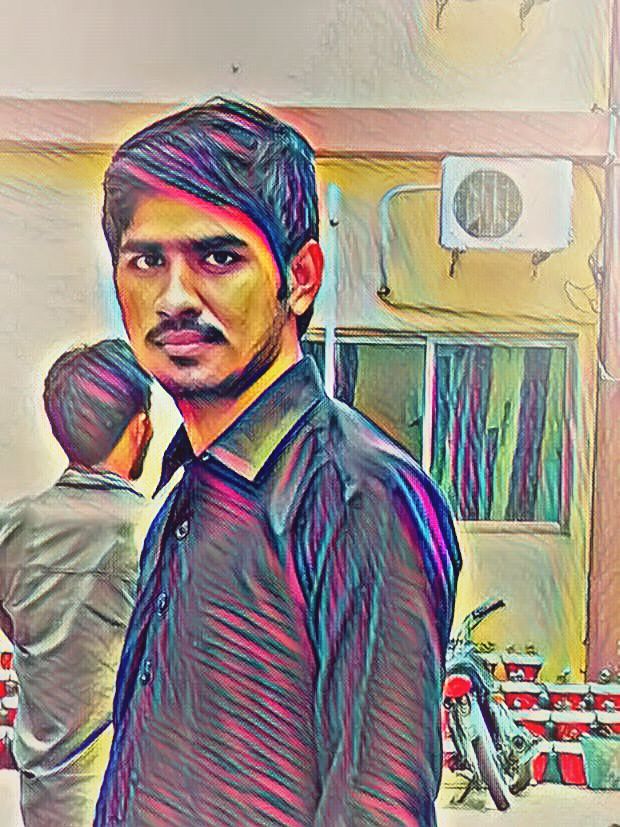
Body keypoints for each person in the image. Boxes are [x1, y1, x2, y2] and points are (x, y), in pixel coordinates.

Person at [95, 98, 461, 827]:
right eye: (147, 261)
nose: (174, 297)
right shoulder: (186, 494)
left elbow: (377, 807)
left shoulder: (360, 496)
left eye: (218, 257)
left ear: (300, 276)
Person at [0, 339, 153, 826]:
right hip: (128, 801)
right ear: (141, 426)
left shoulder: (12, 530)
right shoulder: (156, 531)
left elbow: (13, 629)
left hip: (44, 804)